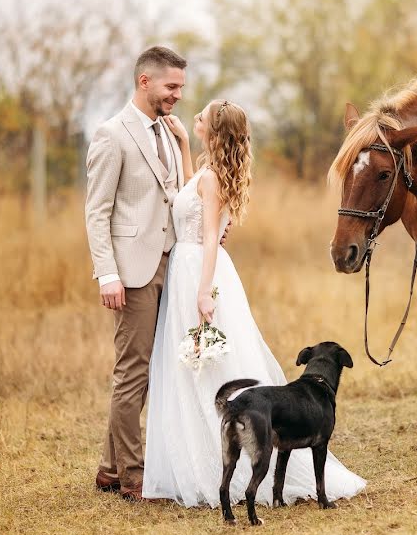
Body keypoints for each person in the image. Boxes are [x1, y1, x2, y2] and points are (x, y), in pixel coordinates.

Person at [141, 99, 366, 507]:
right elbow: (193, 195)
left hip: (198, 269)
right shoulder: (210, 173)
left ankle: (220, 461)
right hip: (194, 266)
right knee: (196, 366)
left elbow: (209, 235)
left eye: (201, 118)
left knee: (205, 364)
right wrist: (183, 146)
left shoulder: (212, 179)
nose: (194, 119)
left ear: (214, 129)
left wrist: (204, 291)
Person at [84, 46, 194, 501]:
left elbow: (177, 196)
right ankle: (132, 475)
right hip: (132, 271)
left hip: (171, 262)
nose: (178, 96)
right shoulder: (112, 135)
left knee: (152, 370)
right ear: (144, 82)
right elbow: (97, 212)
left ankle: (110, 469)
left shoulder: (169, 132)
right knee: (133, 372)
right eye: (172, 86)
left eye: (182, 88)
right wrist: (107, 274)